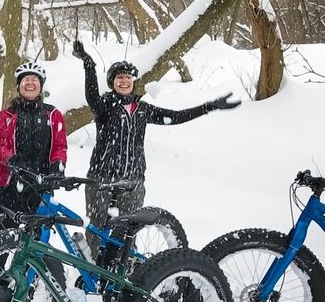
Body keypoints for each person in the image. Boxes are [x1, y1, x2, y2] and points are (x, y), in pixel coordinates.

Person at [73, 39, 240, 258]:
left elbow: (175, 117)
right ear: (112, 82)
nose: (124, 81)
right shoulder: (104, 106)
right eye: (119, 78)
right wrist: (88, 63)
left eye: (128, 78)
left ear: (133, 82)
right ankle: (90, 272)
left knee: (127, 231)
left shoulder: (143, 109)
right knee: (96, 228)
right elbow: (91, 94)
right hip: (102, 178)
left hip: (133, 179)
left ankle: (122, 271)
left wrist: (208, 107)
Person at [0, 60, 68, 229]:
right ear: (19, 86)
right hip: (11, 184)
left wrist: (58, 164)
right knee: (4, 234)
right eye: (26, 80)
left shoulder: (53, 114)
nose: (30, 83)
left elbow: (60, 146)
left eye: (35, 79)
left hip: (41, 184)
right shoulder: (7, 115)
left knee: (37, 237)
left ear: (41, 85)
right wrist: (12, 160)